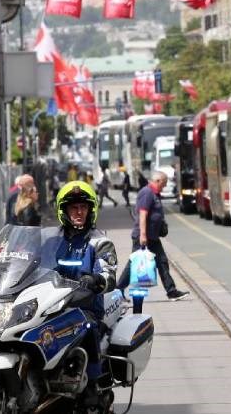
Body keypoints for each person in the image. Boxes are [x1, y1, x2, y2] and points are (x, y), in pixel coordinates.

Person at [50, 180, 118, 399]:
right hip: (52, 303)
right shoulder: (51, 240)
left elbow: (109, 275)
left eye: (83, 207)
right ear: (64, 211)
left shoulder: (99, 242)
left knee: (87, 326)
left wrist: (97, 279)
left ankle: (93, 388)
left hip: (85, 305)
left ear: (90, 210)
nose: (79, 212)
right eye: (73, 207)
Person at [117, 171, 189, 301]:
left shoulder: (155, 194)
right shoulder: (147, 193)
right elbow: (142, 214)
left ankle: (171, 291)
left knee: (162, 262)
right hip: (143, 236)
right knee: (134, 264)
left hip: (153, 237)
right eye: (164, 183)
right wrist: (143, 235)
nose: (164, 186)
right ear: (158, 181)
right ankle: (117, 290)